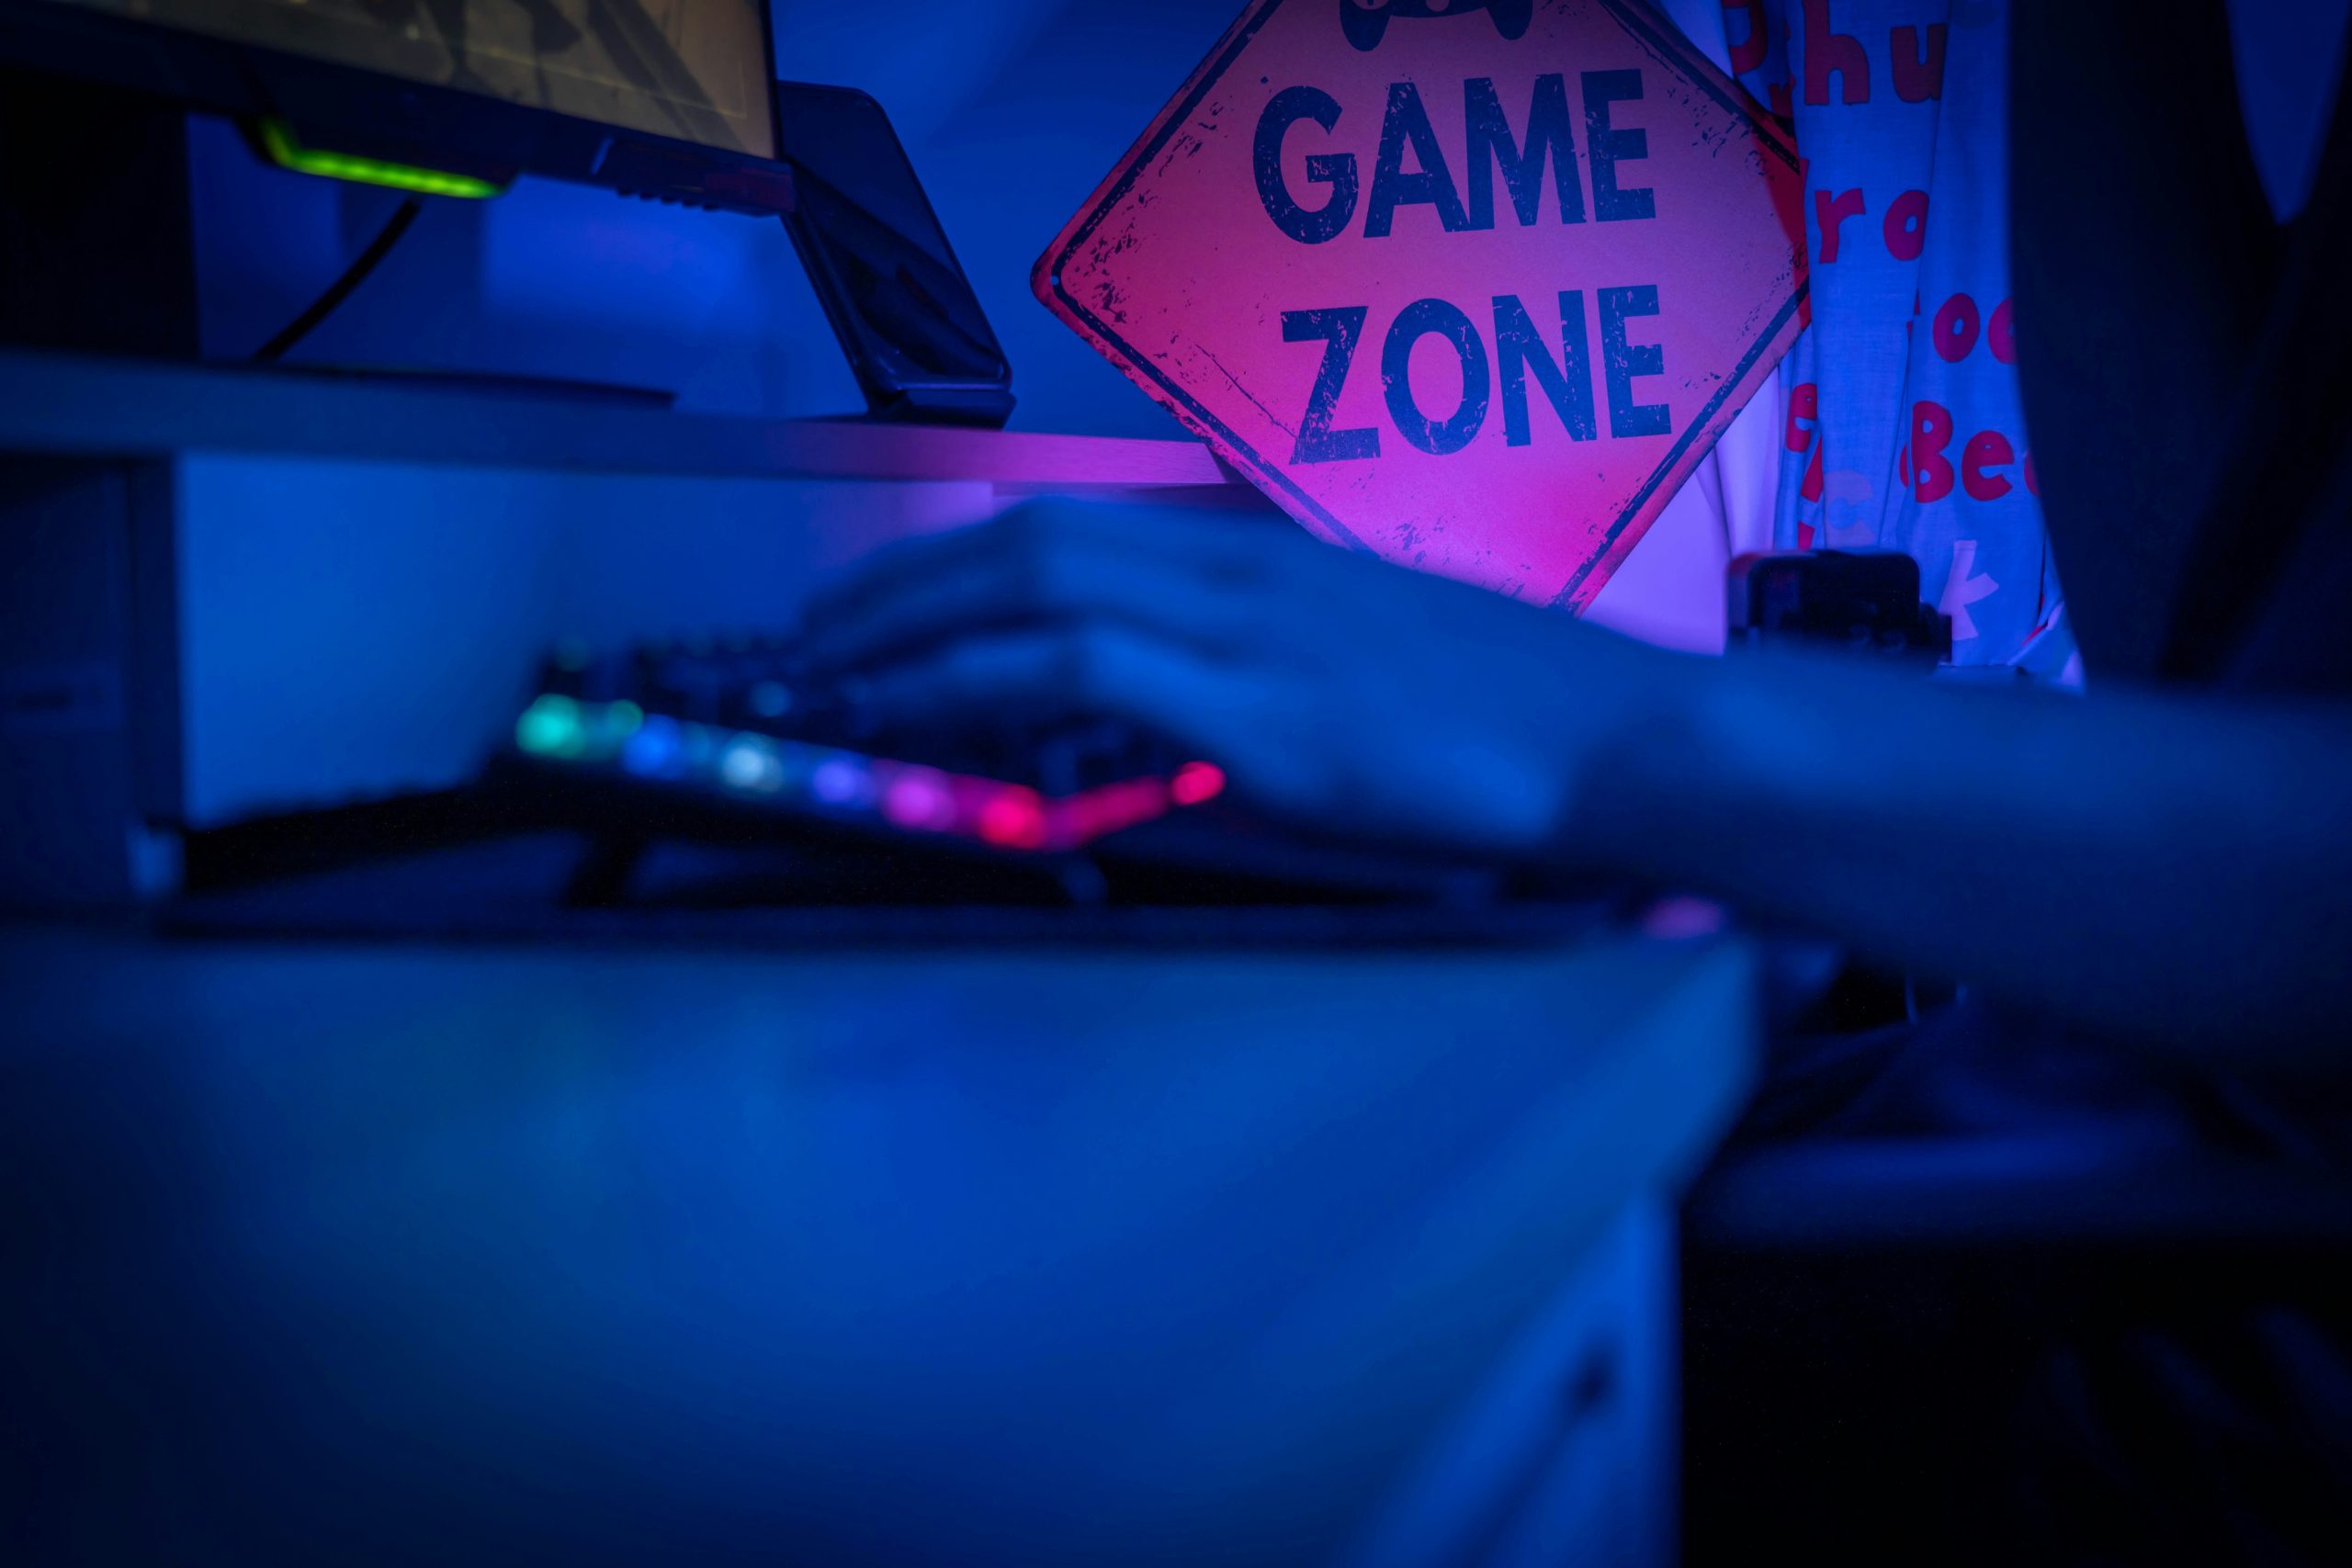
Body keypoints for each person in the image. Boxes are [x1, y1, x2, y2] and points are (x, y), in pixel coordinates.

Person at [801, 2, 2352, 1554]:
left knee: (1139, 1344)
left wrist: (1596, 727)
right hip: (2138, 1118)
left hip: (2219, 1347)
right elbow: (2205, 664)